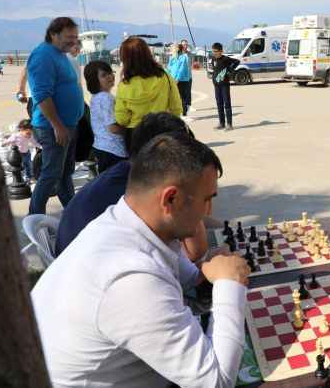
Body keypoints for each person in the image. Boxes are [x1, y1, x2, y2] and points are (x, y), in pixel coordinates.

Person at [33, 131, 250, 388]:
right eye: (206, 200)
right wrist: (230, 283)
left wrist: (210, 274)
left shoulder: (123, 221)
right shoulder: (129, 278)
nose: (209, 212)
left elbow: (191, 282)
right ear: (170, 198)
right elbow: (217, 382)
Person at [56, 112, 195, 257]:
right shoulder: (142, 192)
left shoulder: (126, 172)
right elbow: (193, 252)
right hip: (89, 270)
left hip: (74, 259)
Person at [27, 17, 85, 215]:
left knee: (65, 173)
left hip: (68, 124)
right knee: (51, 174)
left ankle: (72, 211)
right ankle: (34, 217)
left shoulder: (60, 54)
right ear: (54, 34)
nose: (74, 41)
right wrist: (57, 125)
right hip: (52, 127)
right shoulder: (43, 56)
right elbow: (42, 95)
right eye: (69, 37)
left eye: (75, 37)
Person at [115, 36, 183, 150]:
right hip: (162, 133)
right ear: (147, 53)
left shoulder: (124, 85)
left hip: (136, 137)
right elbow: (176, 108)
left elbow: (122, 119)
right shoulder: (165, 77)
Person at [84, 60, 127, 173]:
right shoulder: (105, 98)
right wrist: (130, 130)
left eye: (110, 72)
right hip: (113, 150)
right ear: (94, 80)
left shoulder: (96, 97)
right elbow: (112, 128)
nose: (109, 77)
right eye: (103, 75)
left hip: (102, 147)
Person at [210, 42, 239, 131]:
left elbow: (237, 61)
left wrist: (229, 70)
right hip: (216, 85)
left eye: (216, 51)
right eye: (213, 51)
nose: (214, 53)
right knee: (219, 104)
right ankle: (221, 123)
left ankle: (229, 124)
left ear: (221, 51)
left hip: (224, 85)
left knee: (227, 104)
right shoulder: (213, 59)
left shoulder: (225, 59)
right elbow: (215, 69)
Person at [167, 42, 193, 116]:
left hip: (182, 80)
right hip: (173, 80)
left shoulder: (184, 57)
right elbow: (169, 68)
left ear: (177, 49)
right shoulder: (172, 58)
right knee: (175, 97)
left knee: (182, 97)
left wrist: (177, 79)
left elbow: (181, 69)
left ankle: (184, 113)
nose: (171, 50)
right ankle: (176, 112)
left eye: (172, 49)